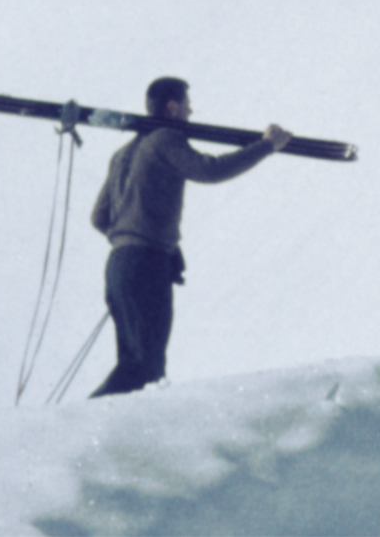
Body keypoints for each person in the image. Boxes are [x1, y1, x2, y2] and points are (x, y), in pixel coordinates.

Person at [87, 78, 287, 395]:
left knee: (132, 364)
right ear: (173, 107)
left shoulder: (123, 153)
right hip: (146, 266)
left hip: (118, 266)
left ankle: (92, 430)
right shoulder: (166, 139)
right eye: (187, 105)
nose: (191, 112)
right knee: (147, 369)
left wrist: (132, 236)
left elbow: (99, 217)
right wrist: (266, 146)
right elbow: (210, 169)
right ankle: (77, 427)